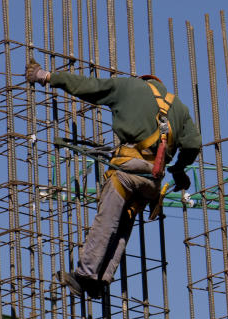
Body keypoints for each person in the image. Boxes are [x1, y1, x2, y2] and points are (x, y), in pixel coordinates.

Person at [25, 60, 201, 298]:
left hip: (127, 170)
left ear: (144, 81)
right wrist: (179, 170)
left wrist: (45, 76)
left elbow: (88, 86)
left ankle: (85, 274)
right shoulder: (178, 107)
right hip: (152, 181)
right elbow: (193, 145)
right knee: (123, 224)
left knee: (107, 219)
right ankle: (102, 279)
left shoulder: (129, 87)